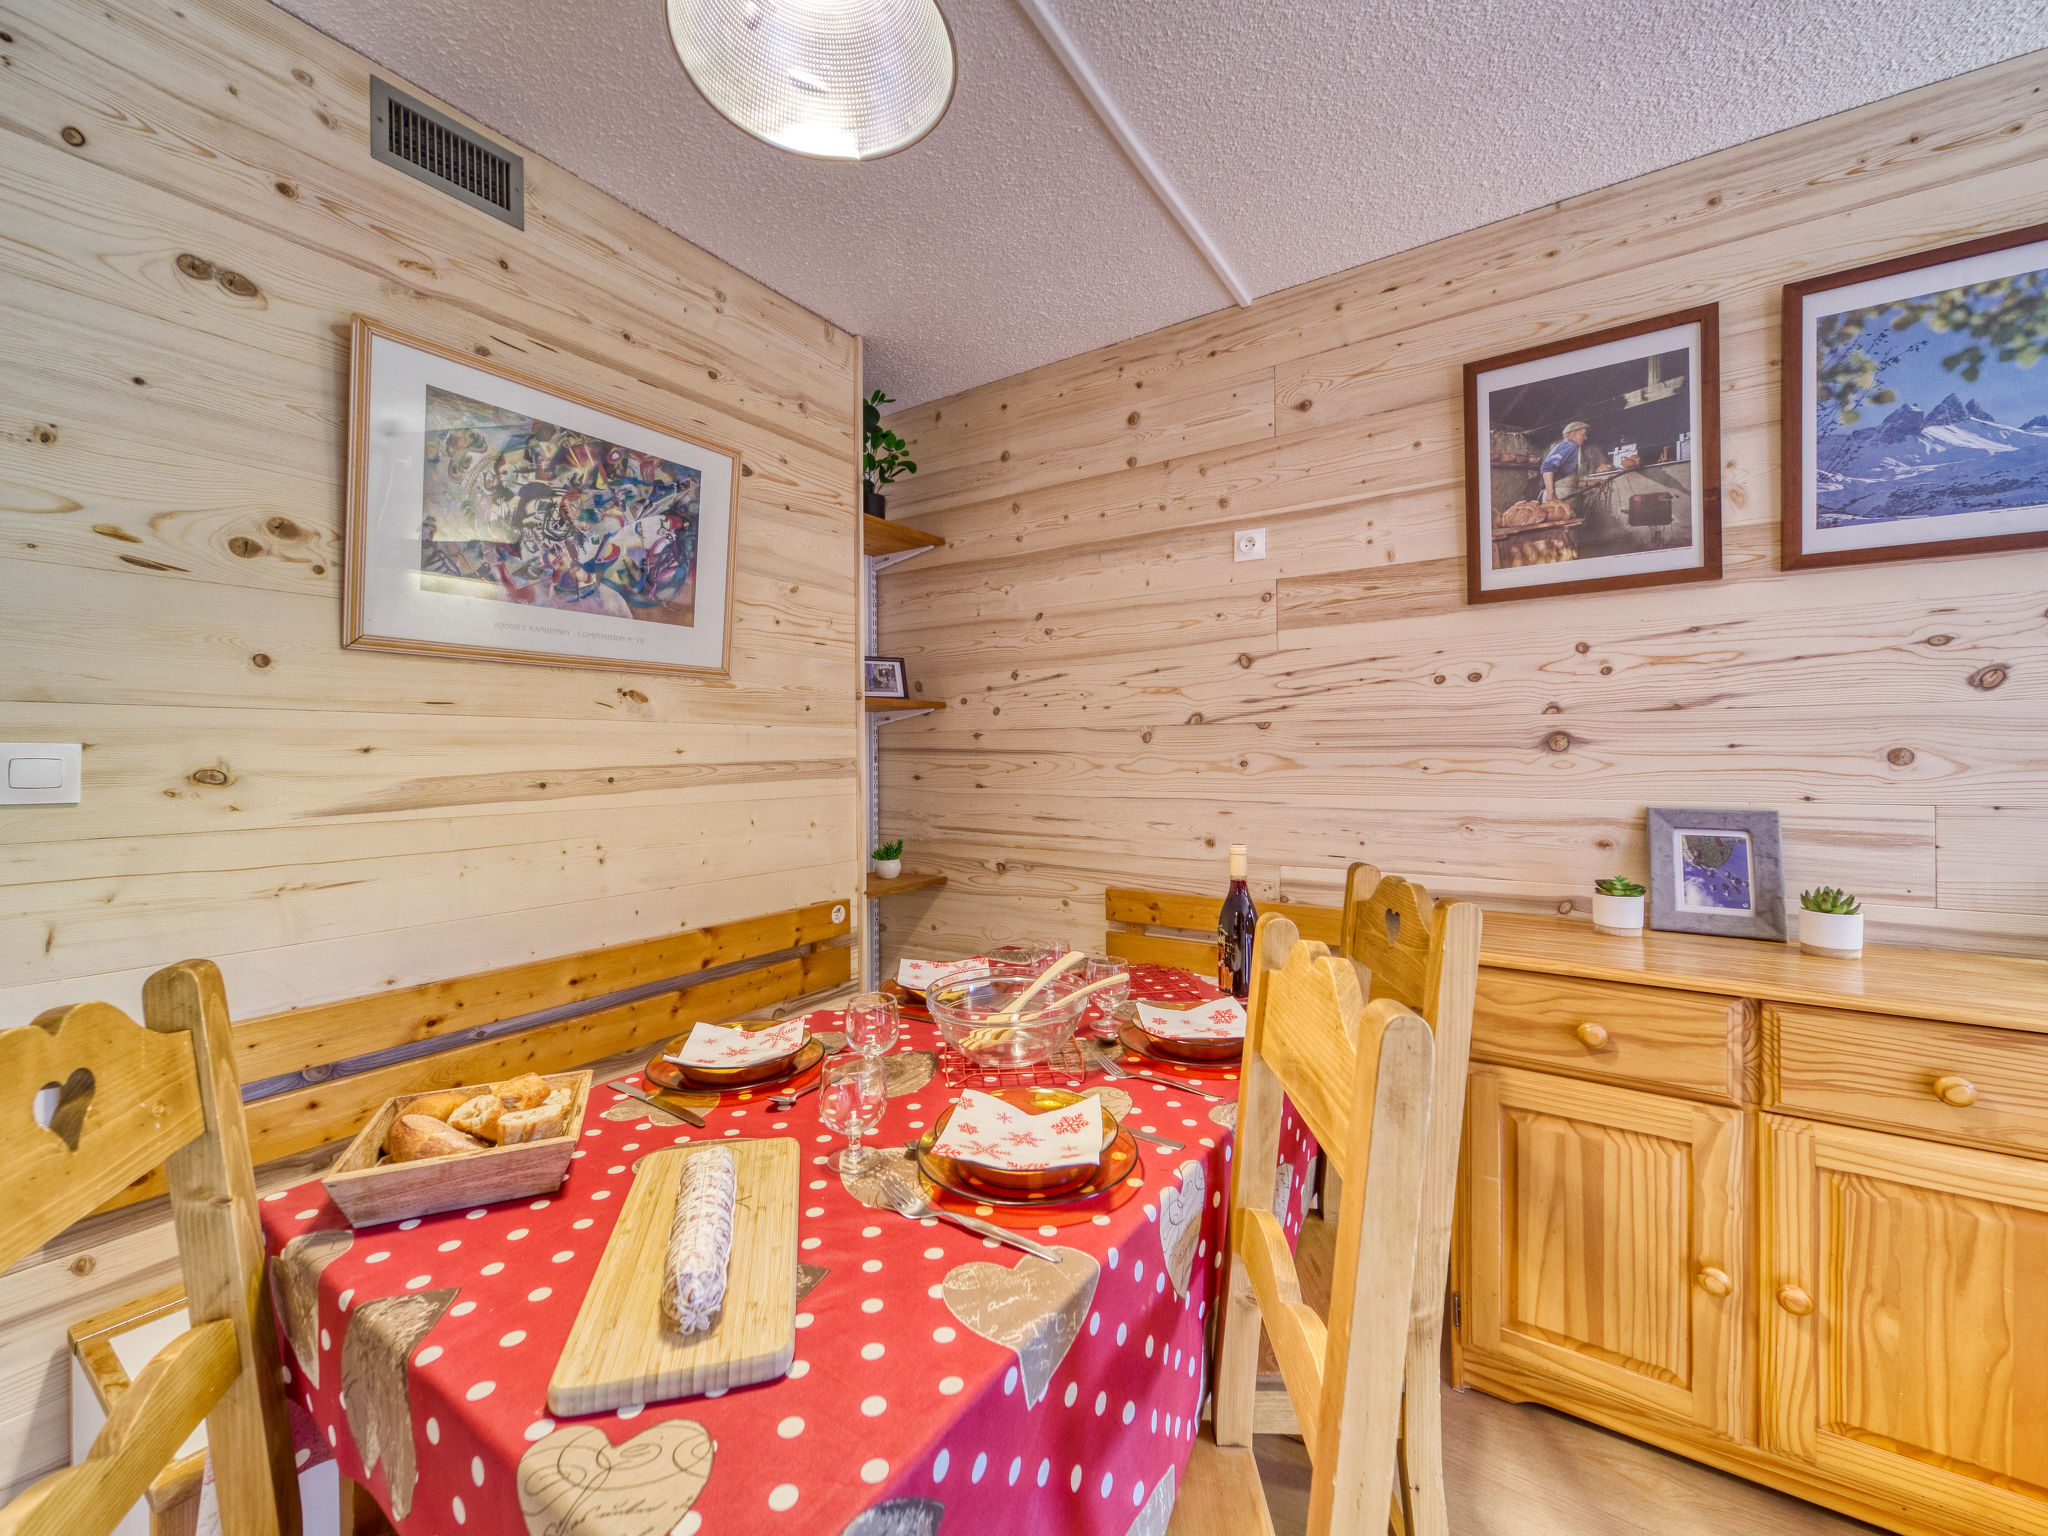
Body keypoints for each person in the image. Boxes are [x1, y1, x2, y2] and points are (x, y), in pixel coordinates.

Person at [1538, 420, 1591, 504]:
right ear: (1573, 434)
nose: (1585, 438)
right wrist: (1550, 495)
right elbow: (1547, 468)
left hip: (1564, 493)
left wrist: (1588, 483)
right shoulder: (1569, 446)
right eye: (1583, 434)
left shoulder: (1573, 448)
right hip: (1558, 494)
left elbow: (1566, 481)